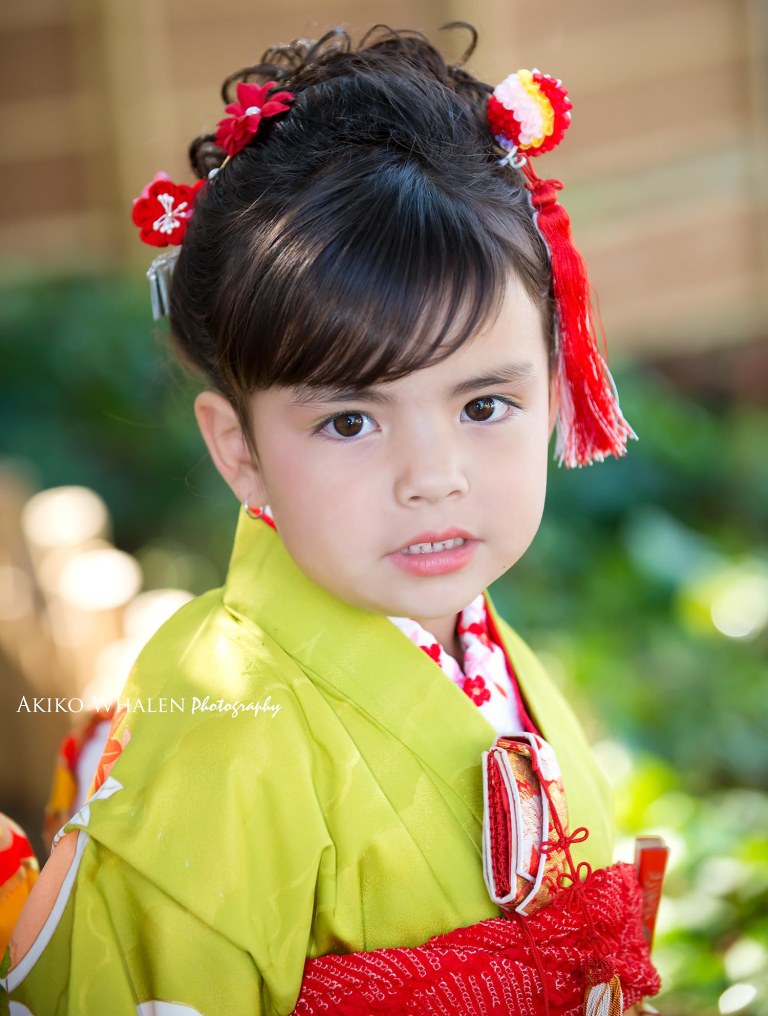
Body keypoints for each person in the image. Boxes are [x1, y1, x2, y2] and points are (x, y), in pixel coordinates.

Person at [2, 24, 660, 1015]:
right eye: (350, 418)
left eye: (484, 404)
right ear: (239, 448)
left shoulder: (479, 644)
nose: (432, 477)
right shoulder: (230, 717)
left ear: (556, 381)